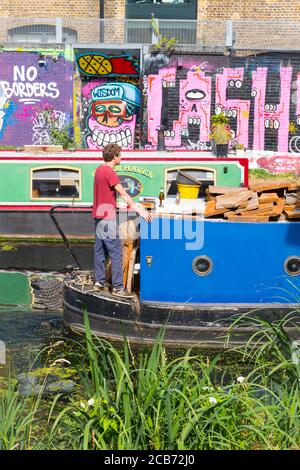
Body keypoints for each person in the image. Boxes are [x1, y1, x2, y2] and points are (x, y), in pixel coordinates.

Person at [93, 143, 152, 298]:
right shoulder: (110, 172)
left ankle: (99, 282)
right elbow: (123, 193)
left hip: (98, 217)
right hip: (108, 218)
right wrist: (138, 209)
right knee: (116, 252)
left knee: (100, 251)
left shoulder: (99, 170)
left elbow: (104, 193)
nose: (122, 157)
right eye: (120, 154)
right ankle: (118, 287)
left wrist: (114, 204)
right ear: (114, 156)